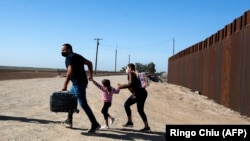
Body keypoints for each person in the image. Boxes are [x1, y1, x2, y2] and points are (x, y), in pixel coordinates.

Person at [60, 43, 100, 133]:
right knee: (70, 100)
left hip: (78, 84)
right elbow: (89, 63)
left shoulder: (69, 57)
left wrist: (65, 84)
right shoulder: (77, 56)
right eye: (61, 50)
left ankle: (95, 124)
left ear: (69, 49)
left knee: (83, 104)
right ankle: (69, 121)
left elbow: (70, 71)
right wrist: (90, 75)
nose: (62, 52)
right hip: (79, 83)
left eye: (63, 50)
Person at [117, 63, 151, 132]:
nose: (126, 69)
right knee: (140, 110)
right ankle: (147, 127)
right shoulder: (135, 73)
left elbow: (130, 84)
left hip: (138, 94)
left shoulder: (131, 74)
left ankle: (130, 122)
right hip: (142, 93)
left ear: (130, 68)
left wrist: (121, 86)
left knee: (126, 105)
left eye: (127, 68)